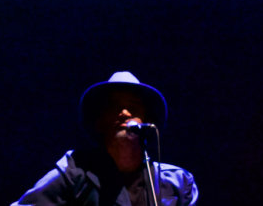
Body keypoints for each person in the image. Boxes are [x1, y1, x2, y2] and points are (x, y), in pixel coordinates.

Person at [12, 72, 198, 206]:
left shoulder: (178, 182)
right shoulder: (75, 172)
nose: (124, 113)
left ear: (147, 121)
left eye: (132, 107)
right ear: (100, 121)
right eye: (114, 107)